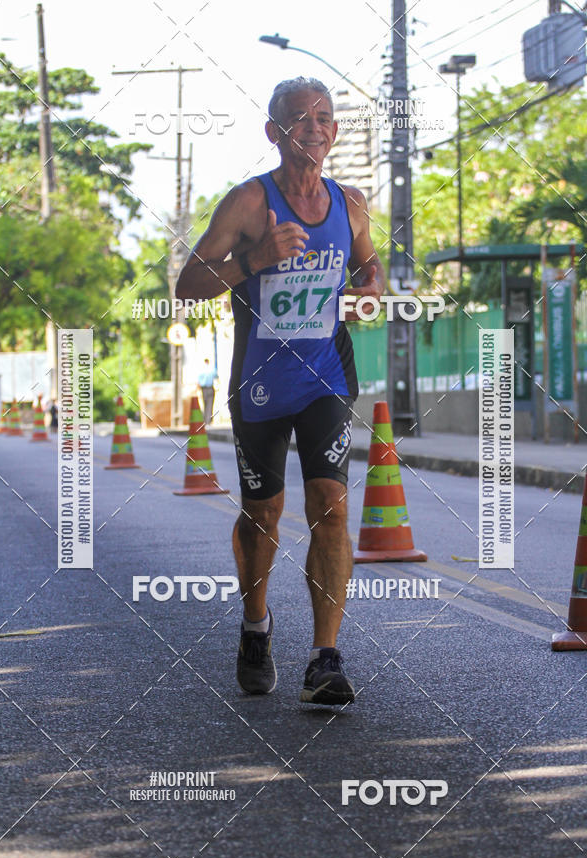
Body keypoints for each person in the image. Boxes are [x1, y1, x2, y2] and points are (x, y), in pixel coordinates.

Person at [176, 76, 385, 705]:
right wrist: (255, 258)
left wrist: (370, 286)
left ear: (335, 132)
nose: (314, 128)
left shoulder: (350, 204)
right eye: (299, 119)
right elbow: (187, 285)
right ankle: (256, 626)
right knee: (263, 510)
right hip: (261, 381)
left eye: (324, 118)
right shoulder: (247, 203)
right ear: (275, 132)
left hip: (326, 375)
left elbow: (370, 265)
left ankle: (325, 657)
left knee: (331, 503)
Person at [197, 357, 217, 425]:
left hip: (204, 389)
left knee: (205, 403)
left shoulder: (201, 370)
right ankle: (209, 420)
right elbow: (216, 376)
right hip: (210, 388)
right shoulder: (212, 369)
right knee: (210, 404)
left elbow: (199, 380)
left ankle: (205, 420)